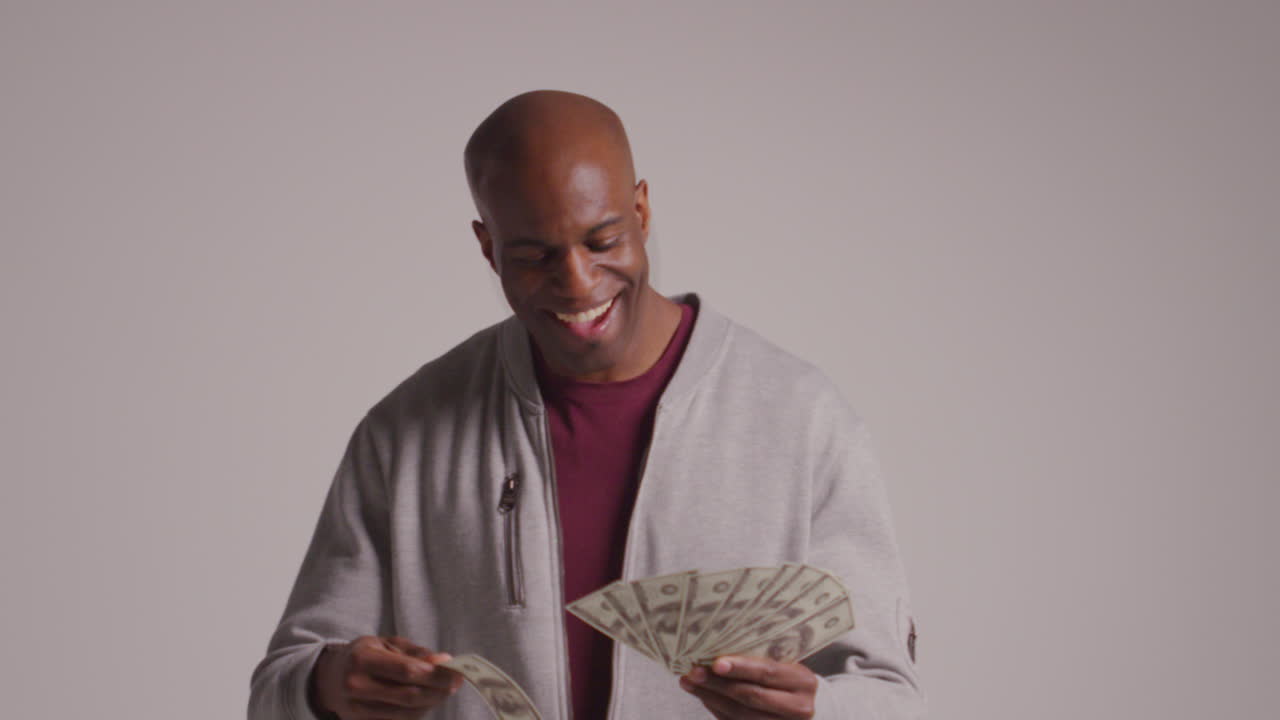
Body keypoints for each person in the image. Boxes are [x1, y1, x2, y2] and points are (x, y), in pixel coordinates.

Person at [248, 89, 926, 720]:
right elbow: (280, 685)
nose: (576, 283)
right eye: (534, 256)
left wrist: (822, 710)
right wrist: (327, 686)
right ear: (487, 246)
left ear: (643, 209)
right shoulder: (406, 433)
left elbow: (892, 695)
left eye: (602, 241)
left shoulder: (802, 420)